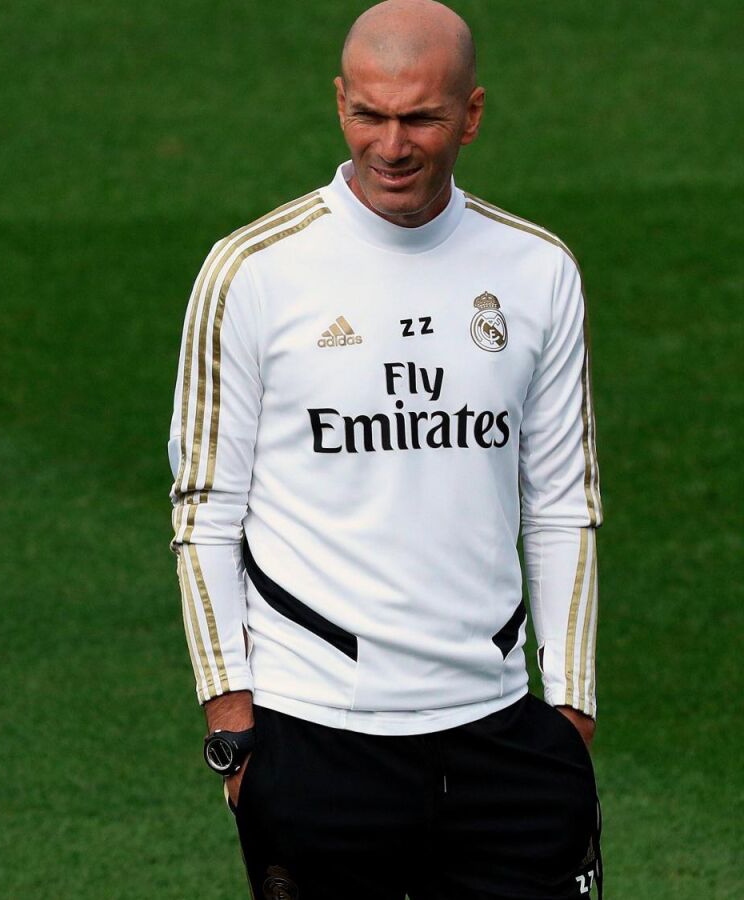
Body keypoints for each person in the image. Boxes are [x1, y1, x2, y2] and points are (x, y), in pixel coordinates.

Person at [166, 1, 603, 896]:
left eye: (420, 119)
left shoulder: (538, 270)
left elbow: (564, 503)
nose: (391, 146)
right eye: (369, 114)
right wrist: (232, 725)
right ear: (339, 103)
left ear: (471, 114)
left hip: (500, 737)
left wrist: (571, 708)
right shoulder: (251, 271)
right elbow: (204, 511)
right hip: (315, 735)